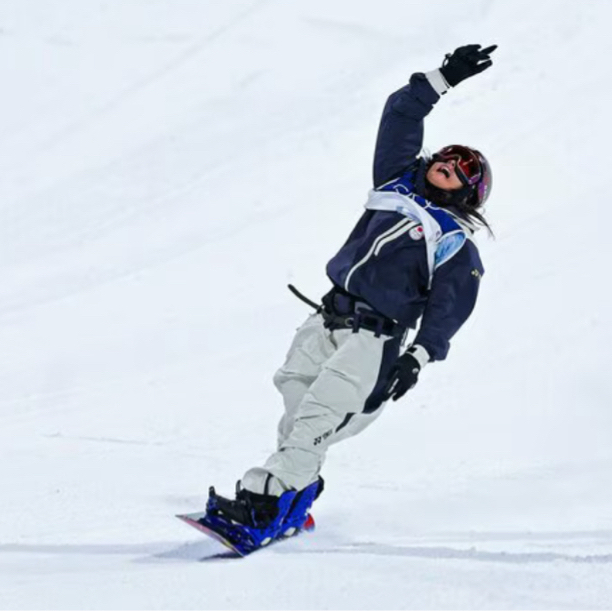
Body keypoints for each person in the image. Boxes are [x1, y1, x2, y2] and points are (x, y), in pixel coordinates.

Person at [204, 43, 498, 544]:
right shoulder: (395, 184)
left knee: (319, 414)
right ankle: (297, 493)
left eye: (459, 170)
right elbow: (399, 114)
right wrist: (443, 77)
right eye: (445, 159)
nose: (447, 165)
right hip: (328, 316)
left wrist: (418, 358)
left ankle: (271, 501)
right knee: (294, 397)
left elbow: (450, 309)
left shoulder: (453, 239)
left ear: (468, 193)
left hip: (374, 338)